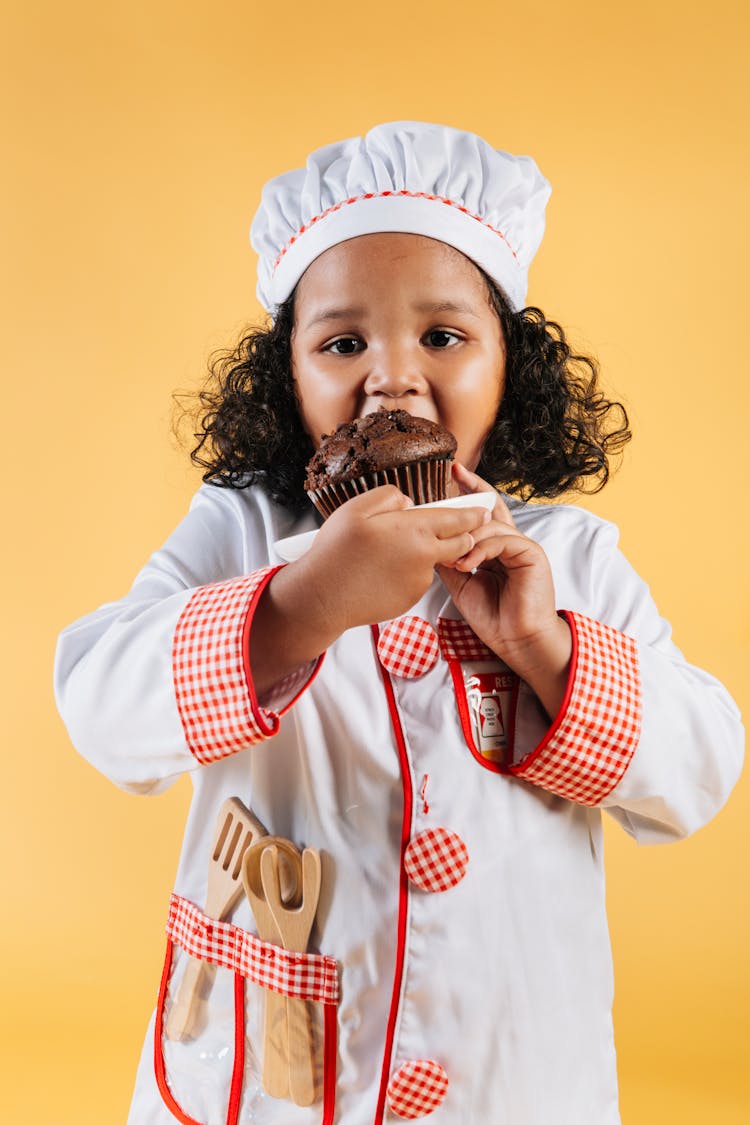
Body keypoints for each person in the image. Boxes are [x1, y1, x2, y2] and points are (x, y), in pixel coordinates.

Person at [54, 121, 744, 1125]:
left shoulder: (571, 556)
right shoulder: (244, 528)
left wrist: (544, 648)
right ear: (286, 375)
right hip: (279, 1076)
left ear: (513, 365)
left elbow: (703, 771)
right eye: (341, 342)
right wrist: (302, 606)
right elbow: (100, 707)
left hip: (514, 1077)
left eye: (443, 336)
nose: (392, 376)